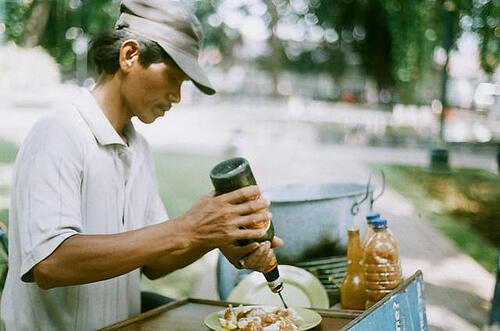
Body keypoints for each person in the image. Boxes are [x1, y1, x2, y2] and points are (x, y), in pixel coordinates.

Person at [0, 1, 282, 329]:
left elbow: (155, 261)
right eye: (173, 77)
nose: (177, 96)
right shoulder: (60, 132)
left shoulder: (138, 148)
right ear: (130, 55)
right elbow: (50, 263)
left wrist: (213, 235)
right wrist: (189, 227)